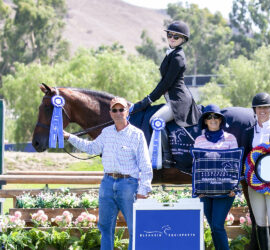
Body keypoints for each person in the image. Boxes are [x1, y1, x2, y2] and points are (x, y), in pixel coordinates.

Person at [63, 97, 153, 250]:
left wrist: (144, 189)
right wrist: (69, 136)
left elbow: (145, 164)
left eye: (121, 109)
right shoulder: (106, 133)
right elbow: (91, 148)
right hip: (107, 184)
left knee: (134, 228)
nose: (118, 113)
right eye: (114, 110)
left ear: (127, 112)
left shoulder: (137, 135)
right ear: (110, 113)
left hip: (128, 185)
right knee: (105, 227)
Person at [132, 20, 201, 168]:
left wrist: (147, 100)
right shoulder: (171, 53)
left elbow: (166, 83)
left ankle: (168, 157)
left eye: (176, 37)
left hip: (179, 101)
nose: (172, 38)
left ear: (183, 39)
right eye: (170, 35)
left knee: (156, 120)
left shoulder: (178, 57)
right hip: (172, 98)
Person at [242, 92, 270, 250]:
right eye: (259, 107)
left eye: (266, 107)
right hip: (255, 184)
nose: (262, 110)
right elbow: (245, 158)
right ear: (254, 109)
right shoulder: (248, 133)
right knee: (260, 222)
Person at [193, 104, 238, 250]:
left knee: (218, 225)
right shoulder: (199, 140)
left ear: (220, 120)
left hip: (225, 192)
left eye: (216, 116)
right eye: (209, 117)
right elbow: (196, 166)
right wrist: (197, 188)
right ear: (205, 121)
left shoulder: (230, 139)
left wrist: (234, 187)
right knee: (213, 227)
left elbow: (235, 165)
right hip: (205, 192)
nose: (213, 119)